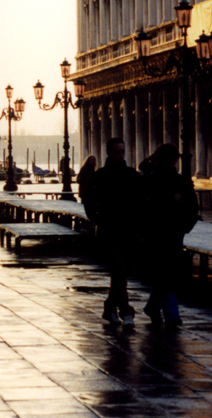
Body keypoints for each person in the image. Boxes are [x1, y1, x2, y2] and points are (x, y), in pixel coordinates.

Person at [85, 137, 143, 328]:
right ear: (109, 153)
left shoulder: (132, 175)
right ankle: (126, 312)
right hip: (109, 232)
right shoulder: (100, 177)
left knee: (122, 273)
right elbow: (90, 204)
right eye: (117, 151)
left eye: (122, 151)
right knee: (119, 271)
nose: (120, 155)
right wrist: (101, 220)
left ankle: (109, 308)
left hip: (129, 232)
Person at [142, 144, 199, 328]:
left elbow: (192, 207)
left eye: (172, 163)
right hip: (155, 234)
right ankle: (172, 314)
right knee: (165, 275)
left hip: (173, 233)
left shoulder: (179, 182)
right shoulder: (150, 181)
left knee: (165, 275)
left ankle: (153, 307)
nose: (170, 167)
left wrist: (185, 226)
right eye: (167, 163)